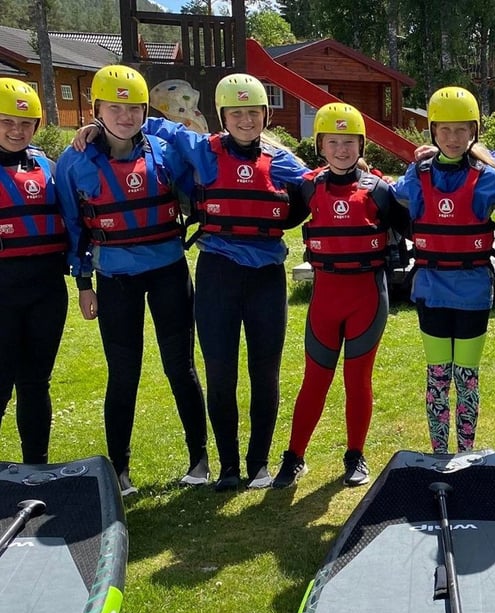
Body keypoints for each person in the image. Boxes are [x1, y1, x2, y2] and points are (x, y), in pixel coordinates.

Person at [142, 75, 310, 491]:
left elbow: (318, 181)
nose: (246, 120)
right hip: (218, 272)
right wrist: (92, 131)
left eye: (254, 112)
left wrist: (359, 169)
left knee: (264, 372)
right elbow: (143, 125)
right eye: (237, 113)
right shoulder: (203, 149)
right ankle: (229, 467)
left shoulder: (280, 160)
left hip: (266, 277)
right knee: (220, 373)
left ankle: (259, 465)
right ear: (222, 116)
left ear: (265, 116)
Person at [56, 65, 207, 495]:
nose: (125, 115)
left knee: (181, 367)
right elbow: (73, 225)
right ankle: (120, 472)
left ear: (145, 110)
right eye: (114, 107)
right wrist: (83, 284)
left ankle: (199, 461)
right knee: (123, 373)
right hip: (115, 277)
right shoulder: (74, 162)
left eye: (134, 107)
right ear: (96, 108)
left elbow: (202, 175)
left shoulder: (166, 150)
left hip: (168, 272)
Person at [272, 103, 410, 489]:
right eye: (333, 142)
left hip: (367, 298)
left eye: (349, 142)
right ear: (321, 145)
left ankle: (355, 455)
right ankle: (294, 456)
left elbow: (419, 227)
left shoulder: (380, 190)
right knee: (314, 380)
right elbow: (276, 220)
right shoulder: (308, 187)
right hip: (325, 301)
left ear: (361, 144)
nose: (342, 149)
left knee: (357, 380)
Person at [393, 87, 495, 454]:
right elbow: (396, 194)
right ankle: (439, 453)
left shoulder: (488, 178)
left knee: (466, 378)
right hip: (431, 288)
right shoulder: (418, 175)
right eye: (444, 130)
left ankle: (464, 452)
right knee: (437, 376)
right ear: (433, 132)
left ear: (473, 132)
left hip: (473, 291)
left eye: (461, 130)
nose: (452, 138)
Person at [0, 78, 68, 464]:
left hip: (45, 288)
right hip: (2, 290)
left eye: (26, 123)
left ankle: (36, 465)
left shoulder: (46, 166)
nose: (17, 130)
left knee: (34, 383)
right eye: (7, 121)